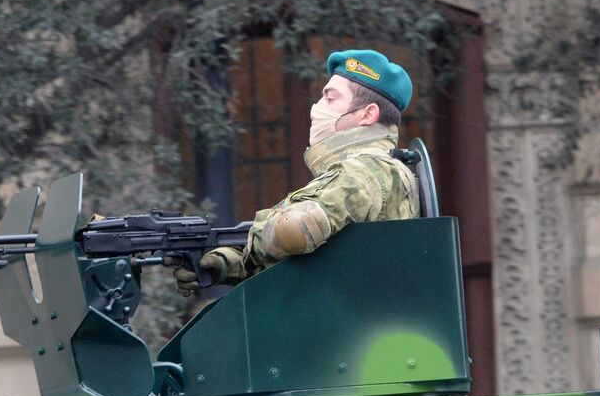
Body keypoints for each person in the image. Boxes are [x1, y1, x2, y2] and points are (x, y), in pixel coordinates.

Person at [175, 49, 420, 294]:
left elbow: (295, 229)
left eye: (330, 99)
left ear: (367, 114)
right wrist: (228, 265)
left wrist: (245, 244)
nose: (316, 108)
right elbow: (322, 260)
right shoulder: (381, 169)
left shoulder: (366, 170)